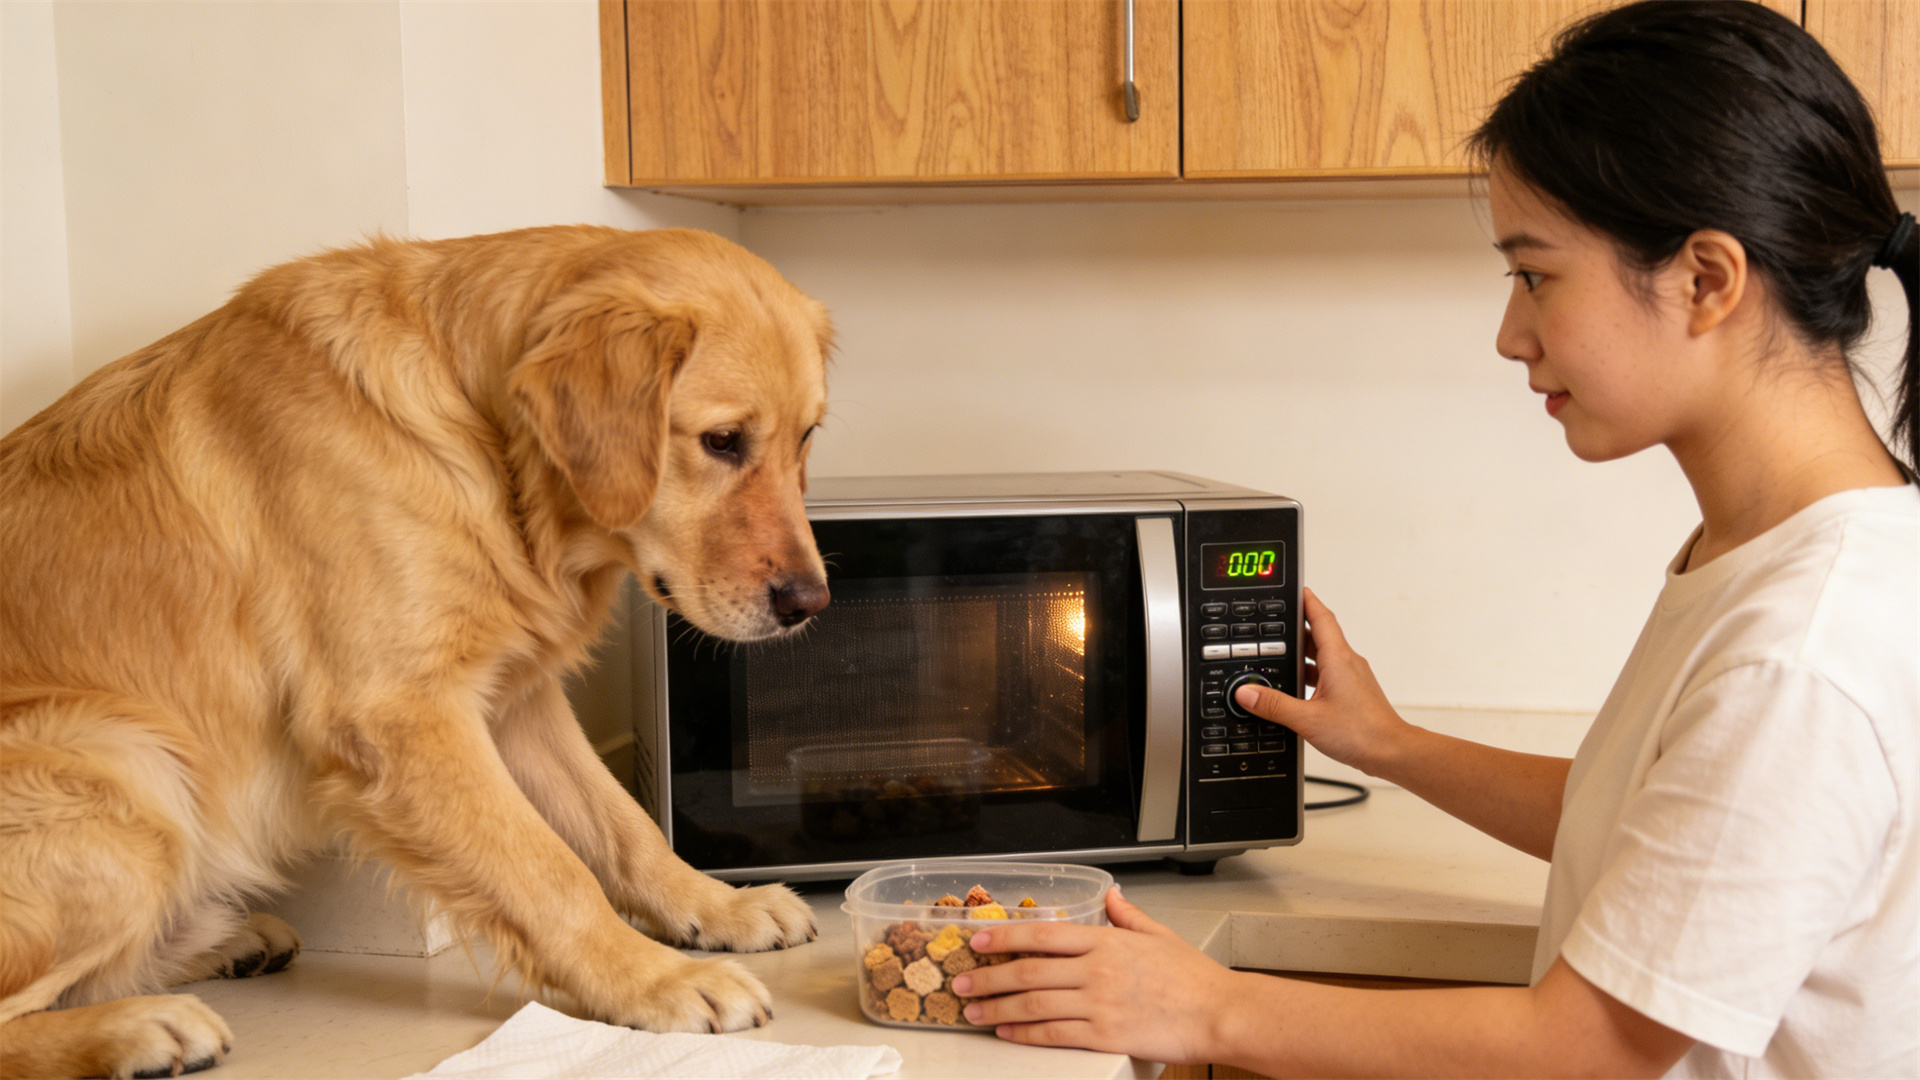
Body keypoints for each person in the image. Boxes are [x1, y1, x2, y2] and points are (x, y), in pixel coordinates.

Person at [950, 3, 1919, 1076]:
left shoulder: (1803, 650)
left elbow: (1590, 1047)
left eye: (1536, 273)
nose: (1511, 334)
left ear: (1706, 279)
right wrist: (1391, 745)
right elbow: (1664, 833)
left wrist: (1210, 1009)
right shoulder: (1785, 558)